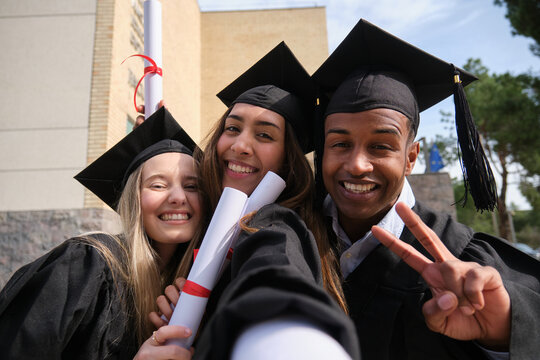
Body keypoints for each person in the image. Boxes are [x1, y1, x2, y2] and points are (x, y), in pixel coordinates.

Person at [311, 19, 540, 360]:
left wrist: (501, 335)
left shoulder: (459, 257)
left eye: (381, 146)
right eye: (341, 143)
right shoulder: (292, 233)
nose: (357, 164)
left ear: (411, 157)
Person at [152, 42, 360, 360]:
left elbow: (274, 271)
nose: (240, 145)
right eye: (232, 128)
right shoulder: (196, 222)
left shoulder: (277, 224)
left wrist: (280, 339)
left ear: (288, 160)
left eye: (264, 135)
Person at [0, 107, 202, 359]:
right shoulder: (88, 263)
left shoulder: (188, 289)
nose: (178, 197)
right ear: (134, 199)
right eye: (158, 185)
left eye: (192, 186)